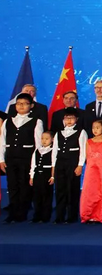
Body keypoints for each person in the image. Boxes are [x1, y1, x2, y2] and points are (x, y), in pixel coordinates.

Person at [0, 93, 44, 223]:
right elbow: (2, 142)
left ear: (31, 106)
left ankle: (22, 213)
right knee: (12, 185)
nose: (21, 106)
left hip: (26, 158)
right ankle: (12, 212)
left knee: (24, 185)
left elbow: (38, 144)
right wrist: (1, 159)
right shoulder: (8, 121)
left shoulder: (36, 121)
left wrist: (35, 163)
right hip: (11, 158)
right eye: (19, 103)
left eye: (25, 104)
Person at [52, 107, 87, 224]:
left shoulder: (81, 132)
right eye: (67, 118)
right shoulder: (58, 133)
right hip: (60, 163)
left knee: (72, 189)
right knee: (60, 189)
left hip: (73, 163)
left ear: (76, 119)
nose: (69, 120)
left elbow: (83, 150)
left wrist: (80, 165)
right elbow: (55, 151)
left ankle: (72, 216)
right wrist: (53, 166)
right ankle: (60, 216)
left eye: (71, 118)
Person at [80, 119, 102, 223]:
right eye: (93, 127)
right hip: (91, 170)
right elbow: (86, 157)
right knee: (90, 191)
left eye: (98, 127)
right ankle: (88, 214)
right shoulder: (88, 142)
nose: (95, 130)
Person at [29, 131, 54, 223]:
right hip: (37, 175)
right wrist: (32, 176)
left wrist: (53, 176)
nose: (44, 141)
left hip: (46, 175)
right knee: (37, 196)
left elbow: (54, 164)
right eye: (42, 138)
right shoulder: (37, 150)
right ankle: (37, 215)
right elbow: (33, 164)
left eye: (47, 139)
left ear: (52, 139)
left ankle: (45, 216)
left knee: (46, 196)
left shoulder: (53, 151)